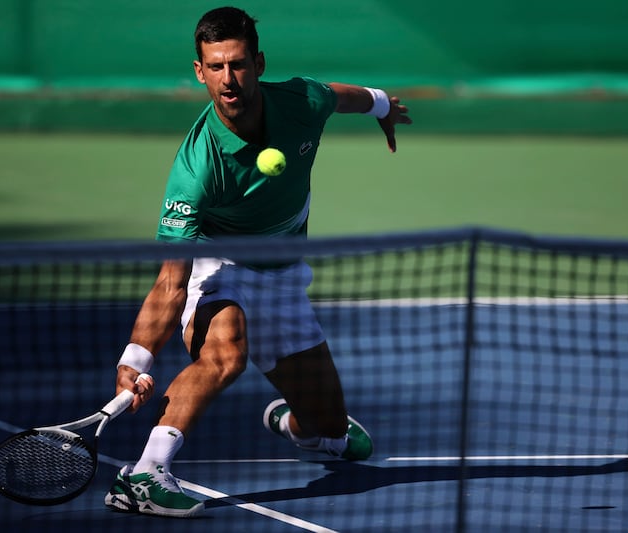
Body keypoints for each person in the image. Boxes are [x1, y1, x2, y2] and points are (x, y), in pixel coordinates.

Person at [104, 6, 412, 518]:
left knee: (335, 436)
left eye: (239, 64)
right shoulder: (196, 169)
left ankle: (297, 424)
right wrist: (134, 361)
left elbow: (341, 96)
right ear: (200, 71)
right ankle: (145, 473)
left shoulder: (301, 101)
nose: (229, 79)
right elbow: (170, 283)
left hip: (285, 277)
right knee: (226, 353)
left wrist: (382, 107)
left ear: (258, 63)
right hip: (218, 268)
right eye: (217, 66)